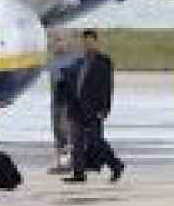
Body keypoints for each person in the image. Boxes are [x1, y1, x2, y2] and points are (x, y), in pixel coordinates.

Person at [64, 29, 123, 184]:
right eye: (85, 41)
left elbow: (107, 87)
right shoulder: (79, 61)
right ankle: (79, 174)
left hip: (93, 109)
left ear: (96, 42)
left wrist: (105, 108)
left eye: (91, 41)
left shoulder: (103, 62)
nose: (87, 44)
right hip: (76, 108)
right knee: (76, 142)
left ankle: (116, 165)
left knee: (96, 141)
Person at [44, 31, 83, 173]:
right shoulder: (52, 59)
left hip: (69, 99)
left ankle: (72, 161)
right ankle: (62, 162)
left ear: (69, 41)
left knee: (66, 129)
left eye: (59, 40)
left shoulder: (76, 58)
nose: (55, 44)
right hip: (57, 98)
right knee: (57, 130)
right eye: (52, 40)